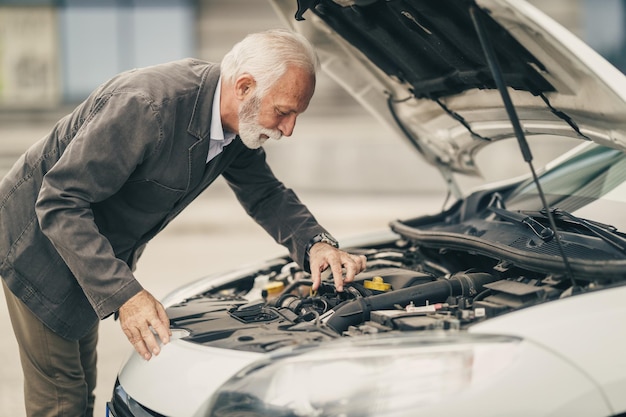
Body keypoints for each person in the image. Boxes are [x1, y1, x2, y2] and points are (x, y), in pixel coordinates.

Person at [0, 29, 367, 417]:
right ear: (244, 87)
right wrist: (126, 296)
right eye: (283, 111)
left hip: (90, 245)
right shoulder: (146, 107)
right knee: (62, 399)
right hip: (37, 244)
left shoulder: (238, 125)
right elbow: (60, 201)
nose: (289, 129)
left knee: (82, 385)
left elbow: (265, 194)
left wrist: (317, 244)